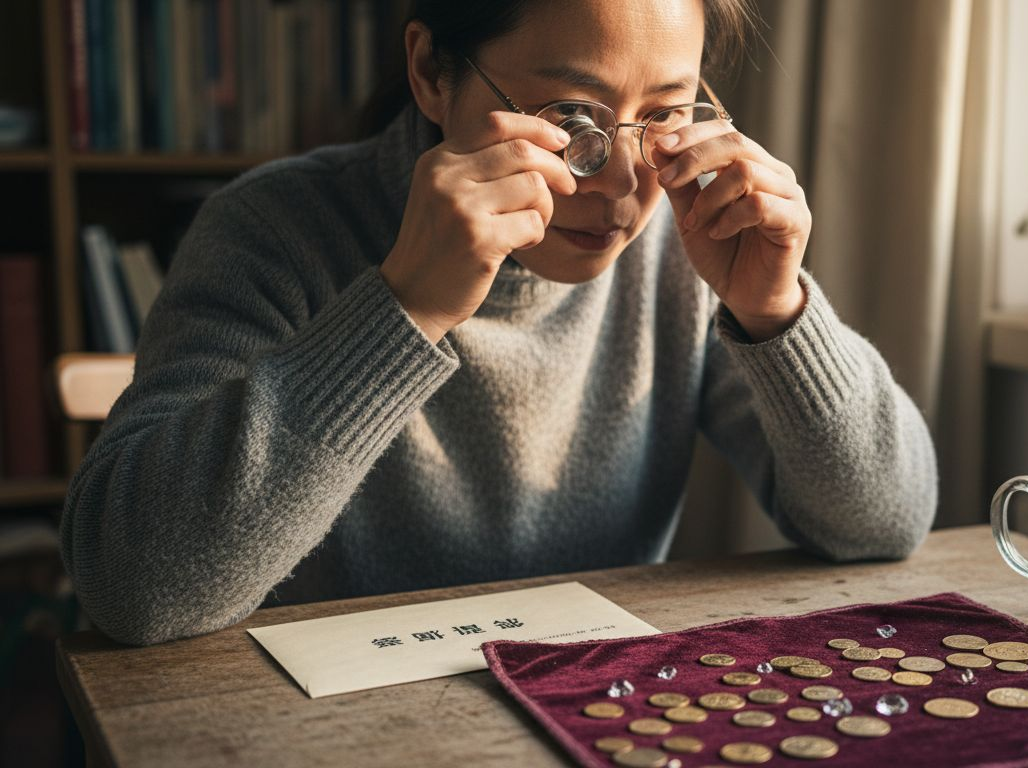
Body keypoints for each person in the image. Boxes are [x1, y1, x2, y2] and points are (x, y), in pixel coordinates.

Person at [60, 0, 937, 647]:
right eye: (572, 121)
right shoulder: (274, 231)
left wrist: (778, 314)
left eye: (665, 114)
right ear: (431, 73)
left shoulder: (687, 246)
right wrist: (407, 307)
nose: (625, 186)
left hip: (599, 716)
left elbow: (884, 523)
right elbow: (131, 586)